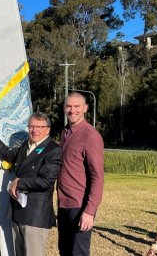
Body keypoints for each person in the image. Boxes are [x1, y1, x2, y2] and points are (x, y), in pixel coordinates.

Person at [0, 112, 63, 256]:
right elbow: (7, 155)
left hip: (36, 215)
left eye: (39, 127)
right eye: (31, 126)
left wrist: (19, 182)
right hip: (18, 210)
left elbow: (46, 181)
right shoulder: (26, 145)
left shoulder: (53, 150)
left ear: (48, 129)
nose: (34, 130)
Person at [58, 92, 104, 256]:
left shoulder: (91, 136)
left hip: (79, 205)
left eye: (77, 106)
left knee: (78, 252)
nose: (72, 110)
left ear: (85, 108)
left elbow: (98, 177)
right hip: (63, 203)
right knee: (64, 250)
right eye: (69, 106)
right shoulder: (65, 133)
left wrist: (89, 211)